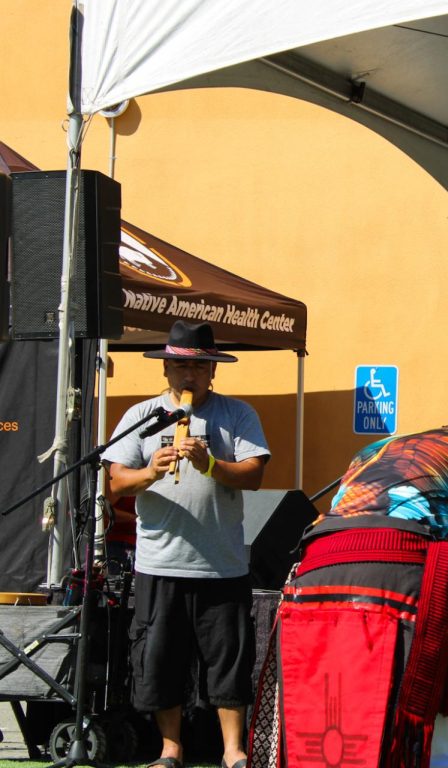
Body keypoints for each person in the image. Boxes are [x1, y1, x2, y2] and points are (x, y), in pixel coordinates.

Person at [250, 425, 448, 768]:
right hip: (397, 569)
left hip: (314, 573)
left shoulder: (371, 453)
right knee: (435, 743)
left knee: (324, 722)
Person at [105, 320, 270, 768]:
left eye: (198, 368)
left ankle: (233, 752)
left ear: (212, 371)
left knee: (228, 663)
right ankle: (170, 749)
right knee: (160, 660)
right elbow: (116, 482)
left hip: (222, 565)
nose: (189, 377)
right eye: (180, 368)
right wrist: (151, 472)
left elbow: (255, 475)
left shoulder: (236, 414)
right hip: (160, 562)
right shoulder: (142, 416)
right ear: (166, 371)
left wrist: (212, 463)